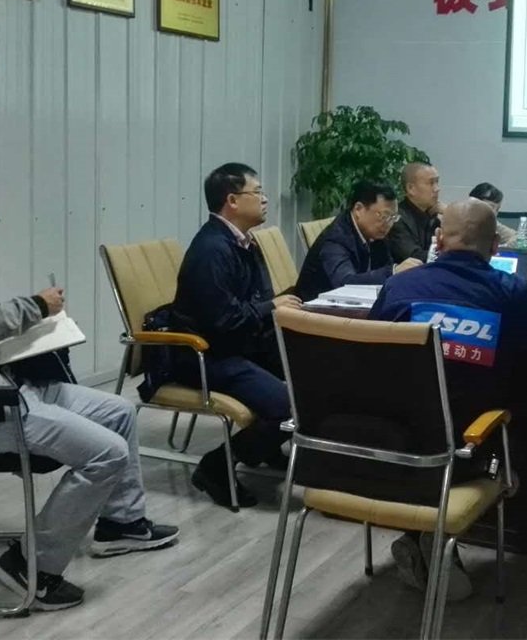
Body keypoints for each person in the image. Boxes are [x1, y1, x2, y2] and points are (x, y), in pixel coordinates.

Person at [0, 172, 178, 611]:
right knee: (107, 453)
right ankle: (31, 566)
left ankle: (121, 524)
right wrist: (37, 306)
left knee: (118, 412)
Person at [370, 199, 527, 601]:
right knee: (524, 405)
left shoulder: (399, 287)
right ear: (495, 247)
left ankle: (423, 538)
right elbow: (523, 359)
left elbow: (370, 354)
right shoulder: (511, 291)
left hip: (388, 445)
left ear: (439, 240)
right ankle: (439, 534)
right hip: (465, 451)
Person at [170, 163, 302, 509]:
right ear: (232, 200)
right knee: (285, 405)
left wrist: (273, 309)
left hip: (240, 344)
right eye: (257, 192)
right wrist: (270, 308)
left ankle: (266, 447)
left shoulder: (244, 241)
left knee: (312, 377)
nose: (264, 199)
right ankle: (216, 466)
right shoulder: (212, 250)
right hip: (205, 354)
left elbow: (258, 301)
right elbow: (223, 321)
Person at [294, 180, 422, 301]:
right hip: (315, 312)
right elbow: (345, 283)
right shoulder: (336, 239)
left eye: (393, 217)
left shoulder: (375, 233)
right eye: (383, 216)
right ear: (358, 209)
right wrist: (393, 271)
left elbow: (385, 266)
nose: (388, 224)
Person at [387, 162, 441, 262]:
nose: (437, 189)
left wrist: (449, 214)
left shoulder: (432, 216)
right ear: (411, 188)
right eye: (431, 183)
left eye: (437, 182)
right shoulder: (397, 219)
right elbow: (414, 257)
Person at [468, 181, 517, 246]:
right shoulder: (458, 221)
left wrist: (503, 247)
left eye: (497, 209)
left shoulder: (492, 223)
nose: (494, 213)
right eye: (491, 207)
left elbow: (517, 237)